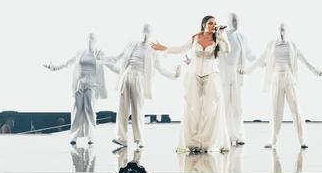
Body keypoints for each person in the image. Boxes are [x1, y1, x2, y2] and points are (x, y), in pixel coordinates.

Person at [151, 15, 231, 154]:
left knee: (209, 109)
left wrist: (221, 35)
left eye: (215, 24)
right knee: (193, 108)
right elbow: (181, 49)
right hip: (193, 76)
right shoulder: (195, 37)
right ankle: (192, 142)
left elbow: (227, 50)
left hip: (211, 75)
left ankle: (207, 143)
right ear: (204, 24)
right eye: (211, 23)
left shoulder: (217, 38)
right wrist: (163, 48)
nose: (213, 26)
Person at [242, 23, 322, 149]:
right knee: (276, 111)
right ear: (277, 30)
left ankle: (302, 140)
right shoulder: (271, 44)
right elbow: (259, 59)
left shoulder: (292, 45)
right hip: (276, 78)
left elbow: (305, 61)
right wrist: (246, 71)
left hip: (289, 78)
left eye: (284, 29)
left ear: (287, 31)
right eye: (280, 29)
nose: (281, 31)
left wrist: (318, 72)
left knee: (296, 109)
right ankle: (273, 140)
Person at [108, 24, 180, 148]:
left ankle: (139, 139)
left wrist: (174, 75)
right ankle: (121, 138)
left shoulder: (153, 50)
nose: (145, 33)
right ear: (141, 32)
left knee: (137, 109)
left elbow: (160, 68)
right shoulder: (132, 44)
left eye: (148, 31)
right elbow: (116, 58)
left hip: (139, 78)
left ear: (152, 33)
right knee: (122, 108)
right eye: (144, 31)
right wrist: (102, 59)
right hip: (126, 76)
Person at [44, 33, 117, 145]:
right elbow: (67, 63)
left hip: (91, 84)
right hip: (79, 83)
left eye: (92, 39)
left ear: (95, 41)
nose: (89, 41)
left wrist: (123, 72)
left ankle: (91, 136)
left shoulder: (98, 54)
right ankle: (74, 136)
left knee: (90, 109)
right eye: (88, 39)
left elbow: (111, 65)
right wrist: (54, 67)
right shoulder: (80, 53)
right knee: (76, 110)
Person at [219, 12, 256, 146]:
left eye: (237, 20)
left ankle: (239, 135)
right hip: (223, 75)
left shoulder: (242, 37)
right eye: (233, 20)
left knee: (237, 107)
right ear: (228, 21)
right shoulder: (221, 36)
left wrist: (262, 62)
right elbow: (213, 53)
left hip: (236, 74)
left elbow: (250, 54)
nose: (236, 23)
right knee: (224, 106)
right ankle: (226, 135)